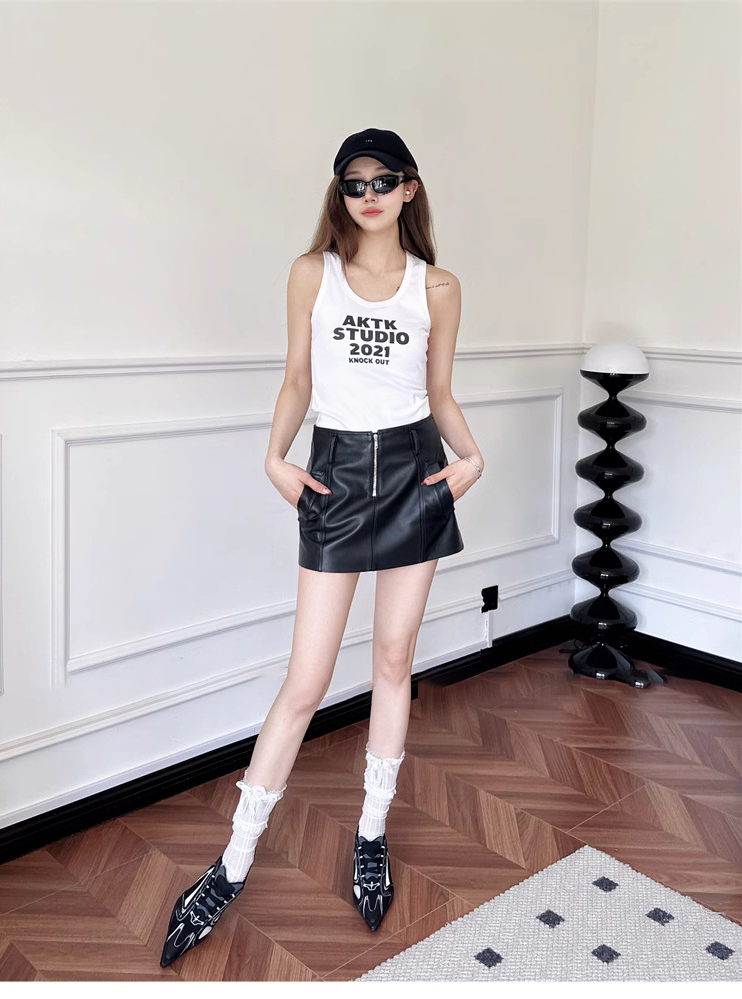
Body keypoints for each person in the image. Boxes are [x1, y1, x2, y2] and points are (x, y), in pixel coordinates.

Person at [160, 127, 485, 968]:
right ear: (340, 192)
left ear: (410, 188)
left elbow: (439, 392)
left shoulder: (438, 286)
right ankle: (234, 861)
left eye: (383, 180)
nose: (367, 195)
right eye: (353, 183)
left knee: (392, 658)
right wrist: (274, 457)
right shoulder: (313, 272)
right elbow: (299, 378)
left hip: (413, 472)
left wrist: (473, 457)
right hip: (336, 474)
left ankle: (371, 831)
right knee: (306, 680)